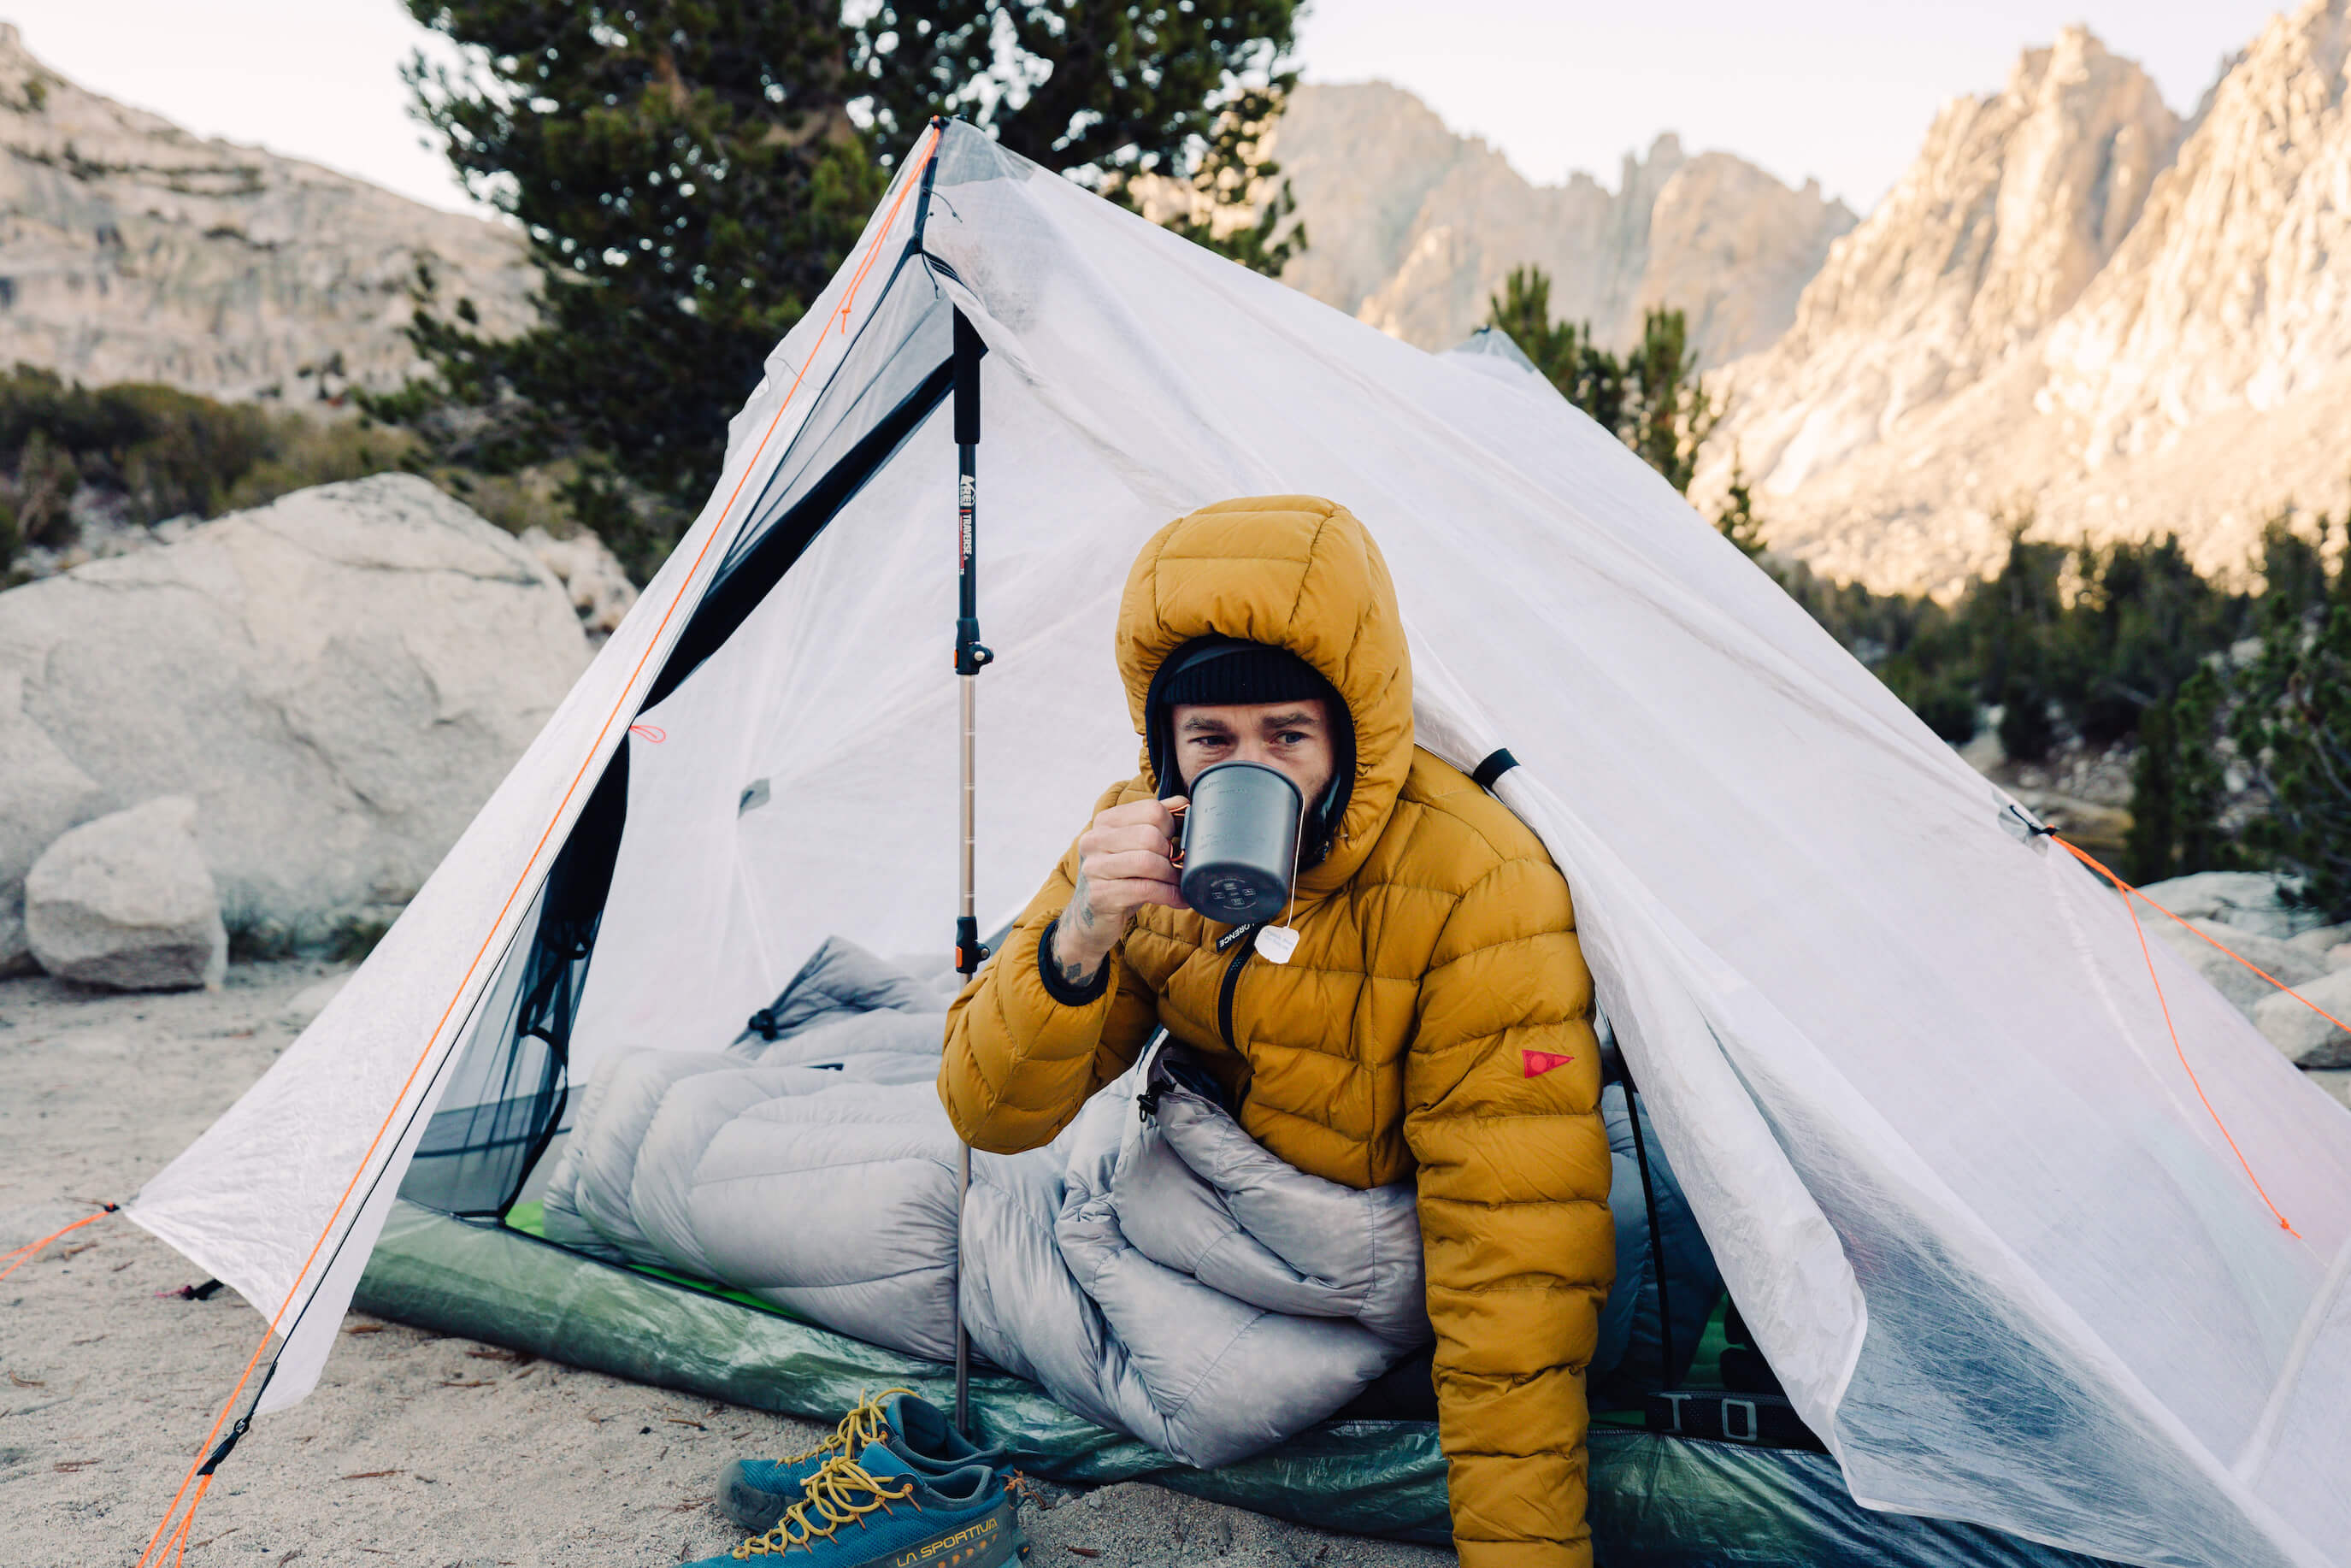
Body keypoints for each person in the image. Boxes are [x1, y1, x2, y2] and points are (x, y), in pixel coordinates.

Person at [940, 495, 1612, 1568]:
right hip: (1201, 1197)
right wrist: (1077, 938)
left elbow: (1512, 1257)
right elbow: (986, 1111)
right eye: (1208, 738)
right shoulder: (1140, 834)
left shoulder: (1473, 884)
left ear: (1353, 727)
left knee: (953, 1236)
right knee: (944, 1187)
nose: (1242, 766)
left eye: (1287, 735)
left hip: (1336, 1268)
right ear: (1163, 741)